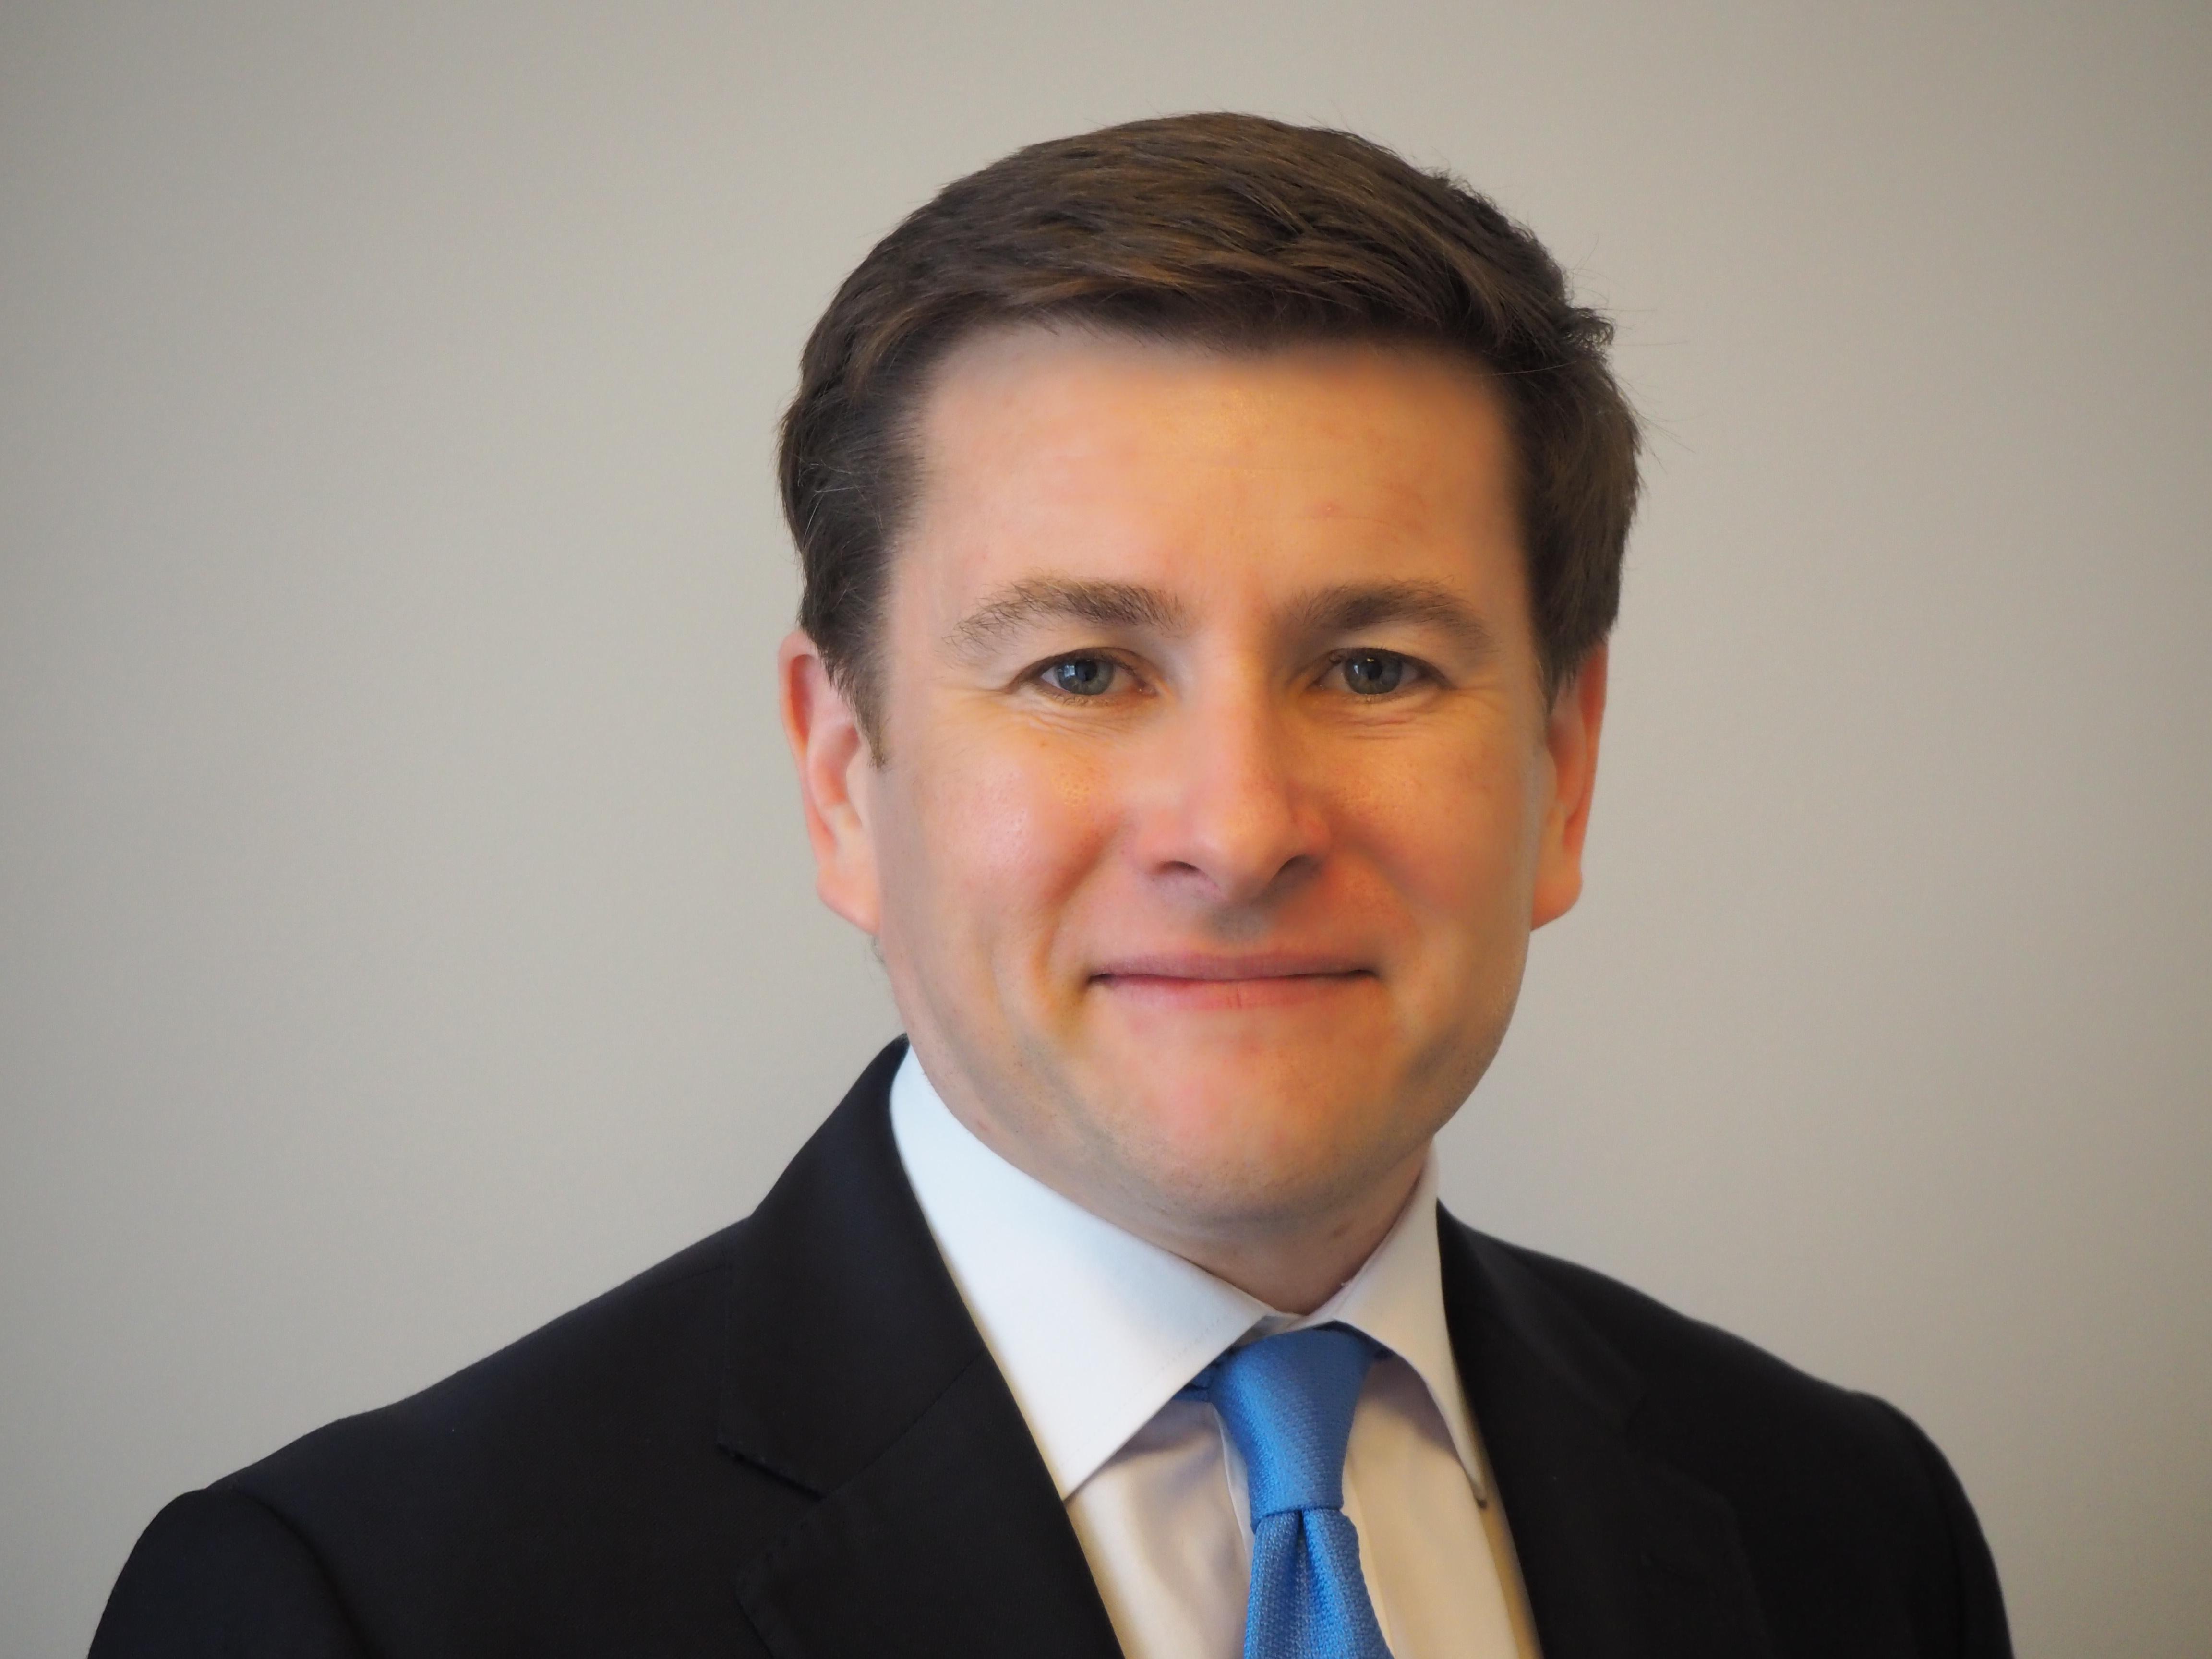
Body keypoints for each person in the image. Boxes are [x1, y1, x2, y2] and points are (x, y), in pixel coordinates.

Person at [91, 113, 2011, 1659]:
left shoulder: (1853, 1532)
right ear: (843, 778)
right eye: (1082, 671)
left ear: (1562, 773)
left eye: (1374, 668)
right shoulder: (351, 1608)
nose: (1238, 831)